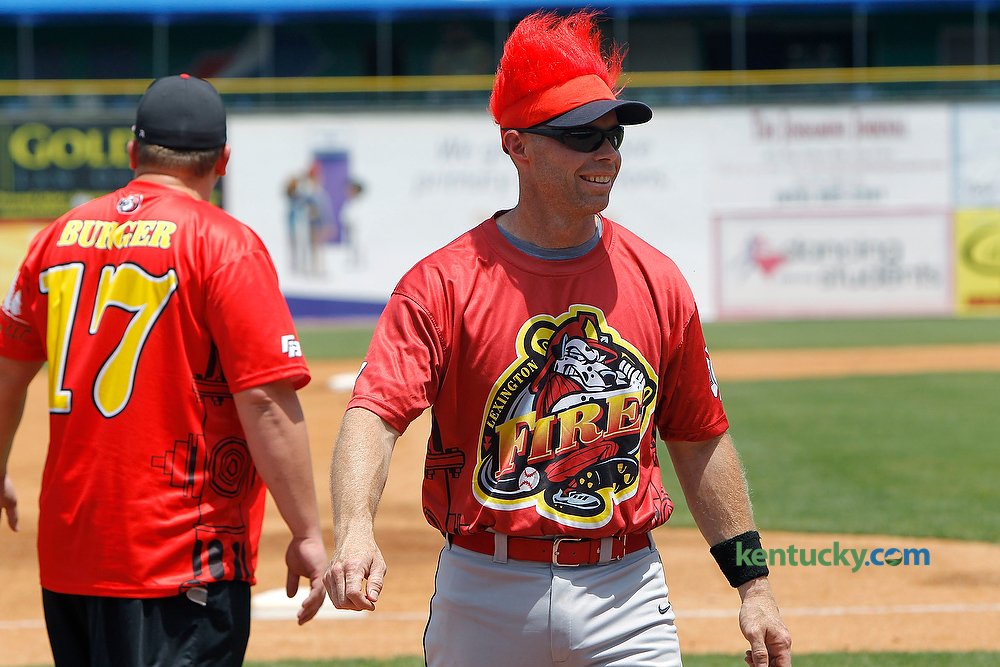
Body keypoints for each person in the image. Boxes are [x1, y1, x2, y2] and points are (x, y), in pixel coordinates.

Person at [324, 10, 791, 667]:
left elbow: (699, 435)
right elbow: (373, 412)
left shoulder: (658, 281)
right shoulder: (442, 283)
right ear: (516, 146)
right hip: (484, 588)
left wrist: (754, 583)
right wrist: (354, 528)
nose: (606, 153)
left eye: (614, 135)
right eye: (580, 136)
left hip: (624, 591)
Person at [0, 74, 327, 666]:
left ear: (133, 153)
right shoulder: (225, 244)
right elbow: (265, 402)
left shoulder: (54, 237)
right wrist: (306, 531)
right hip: (178, 559)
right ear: (222, 161)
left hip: (71, 556)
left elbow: (6, 375)